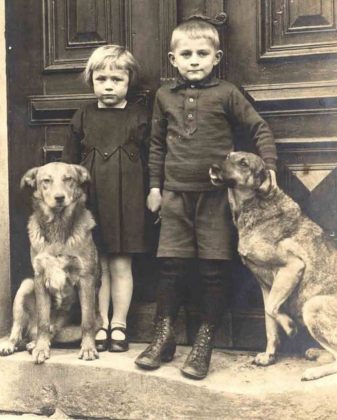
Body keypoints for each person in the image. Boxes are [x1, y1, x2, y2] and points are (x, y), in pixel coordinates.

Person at [135, 16, 277, 379]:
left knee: (214, 269)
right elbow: (155, 146)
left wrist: (269, 165)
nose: (194, 60)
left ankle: (204, 344)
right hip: (175, 197)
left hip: (217, 198)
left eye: (202, 53)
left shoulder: (227, 93)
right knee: (170, 267)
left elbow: (258, 127)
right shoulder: (165, 97)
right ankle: (163, 337)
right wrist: (155, 187)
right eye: (186, 54)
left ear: (217, 57)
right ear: (172, 59)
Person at [62, 45, 149, 353]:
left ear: (129, 81)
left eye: (116, 79)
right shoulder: (83, 115)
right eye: (101, 79)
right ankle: (99, 321)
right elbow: (68, 165)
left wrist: (155, 192)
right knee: (96, 265)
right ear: (92, 81)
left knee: (122, 264)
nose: (109, 85)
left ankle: (120, 323)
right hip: (92, 201)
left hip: (128, 202)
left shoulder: (139, 116)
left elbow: (153, 159)